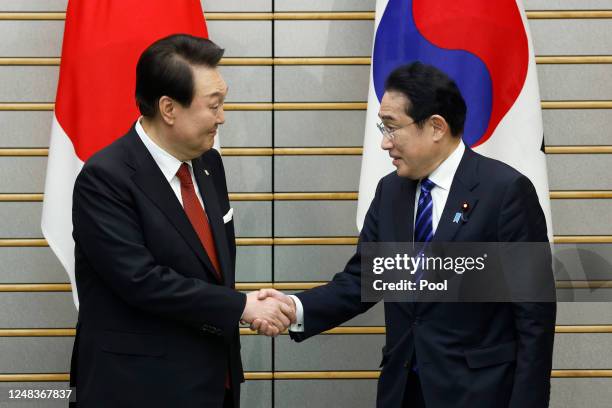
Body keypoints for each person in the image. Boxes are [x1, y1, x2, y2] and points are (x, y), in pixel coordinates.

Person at [255, 62, 556, 408]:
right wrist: (294, 307)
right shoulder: (390, 192)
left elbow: (534, 316)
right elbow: (364, 279)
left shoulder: (504, 192)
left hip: (479, 393)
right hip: (403, 391)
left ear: (436, 127)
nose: (384, 143)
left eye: (392, 128)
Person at [69, 34, 295, 408]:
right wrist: (241, 306)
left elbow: (208, 268)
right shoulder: (105, 178)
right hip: (137, 388)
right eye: (214, 105)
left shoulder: (208, 164)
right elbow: (140, 280)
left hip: (211, 382)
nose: (222, 117)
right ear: (169, 108)